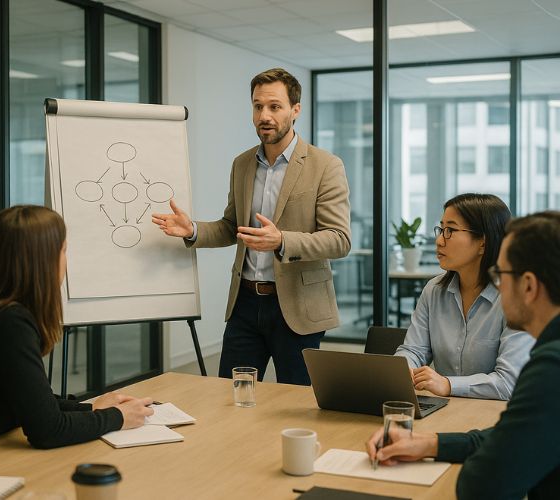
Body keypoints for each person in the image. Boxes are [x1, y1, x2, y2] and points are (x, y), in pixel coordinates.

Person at [152, 68, 351, 384]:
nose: (264, 115)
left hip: (297, 309)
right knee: (230, 397)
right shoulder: (242, 164)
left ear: (295, 110)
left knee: (296, 403)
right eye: (258, 106)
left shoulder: (325, 165)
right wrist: (192, 230)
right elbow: (233, 227)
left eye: (275, 106)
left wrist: (281, 240)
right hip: (245, 303)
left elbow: (339, 239)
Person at [0, 205, 154, 452]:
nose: (67, 262)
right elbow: (48, 431)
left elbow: (33, 401)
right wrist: (119, 417)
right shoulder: (8, 321)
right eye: (64, 251)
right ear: (43, 261)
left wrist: (91, 409)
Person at [367, 211, 560, 499]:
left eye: (501, 274)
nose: (498, 286)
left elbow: (480, 484)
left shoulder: (551, 368)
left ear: (529, 286)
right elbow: (508, 435)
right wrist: (429, 443)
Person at [395, 193, 534, 400]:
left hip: (491, 419)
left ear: (483, 243)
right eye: (441, 229)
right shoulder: (433, 291)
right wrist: (403, 369)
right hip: (446, 411)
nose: (439, 240)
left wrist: (448, 384)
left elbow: (508, 383)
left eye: (450, 230)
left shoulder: (513, 298)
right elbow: (413, 351)